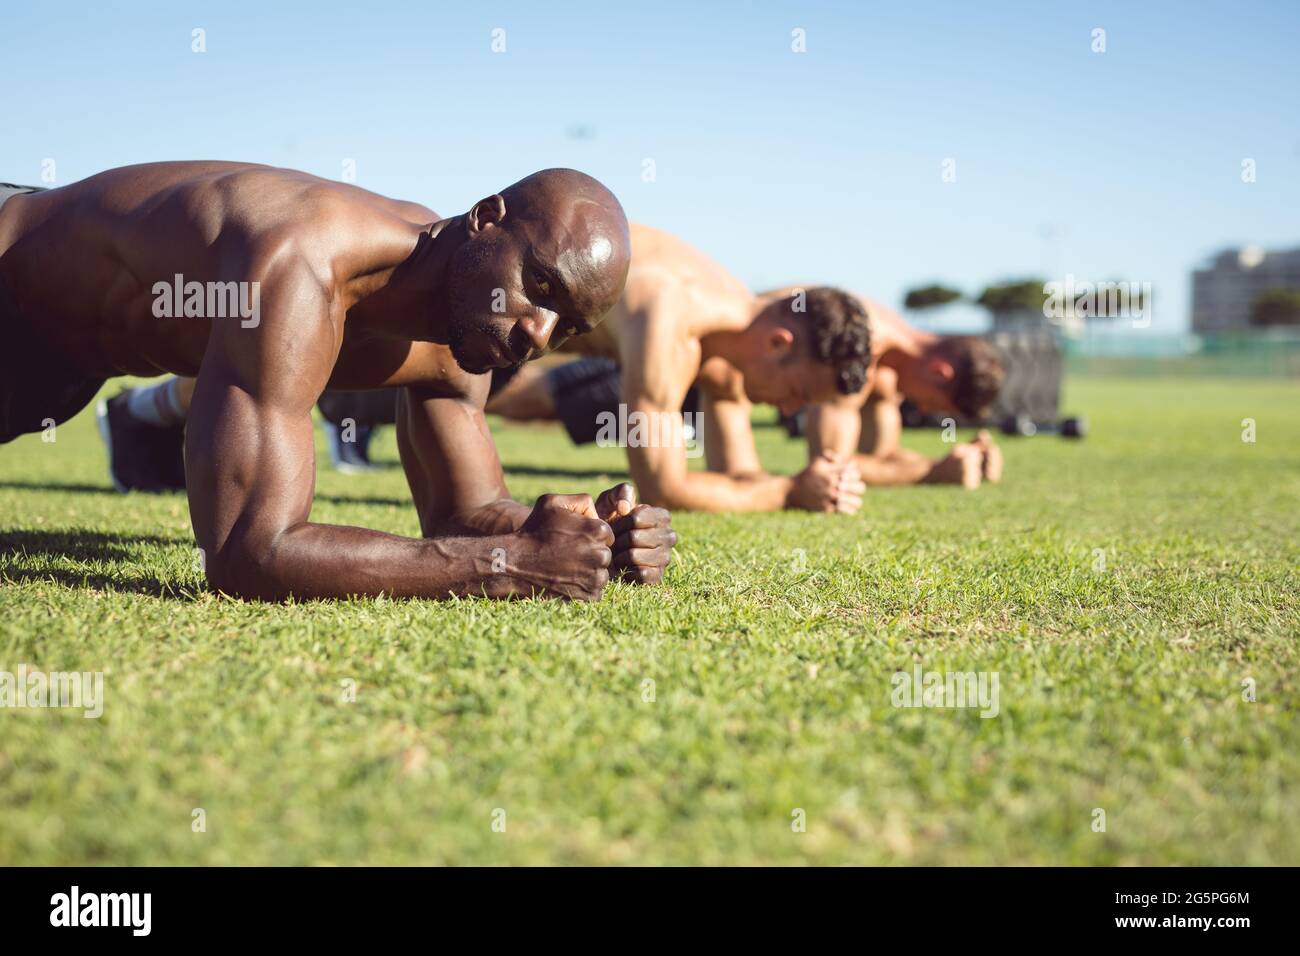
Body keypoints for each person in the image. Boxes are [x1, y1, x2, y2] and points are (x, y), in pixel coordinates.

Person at [0, 161, 675, 601]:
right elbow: (247, 553)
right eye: (539, 285)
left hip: (58, 371)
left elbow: (464, 513)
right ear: (484, 219)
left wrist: (579, 536)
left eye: (566, 331)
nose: (537, 335)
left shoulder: (463, 335)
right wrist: (512, 566)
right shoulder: (301, 260)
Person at [486, 223, 873, 513]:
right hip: (484, 302)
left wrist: (822, 483)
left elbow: (739, 474)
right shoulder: (669, 318)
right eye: (799, 394)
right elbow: (661, 489)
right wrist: (789, 491)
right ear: (777, 344)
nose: (788, 410)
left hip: (521, 332)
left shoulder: (736, 335)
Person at [794, 292, 1005, 489]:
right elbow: (829, 467)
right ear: (939, 372)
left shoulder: (887, 370)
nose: (922, 409)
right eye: (932, 402)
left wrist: (956, 462)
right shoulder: (860, 343)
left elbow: (883, 456)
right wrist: (932, 472)